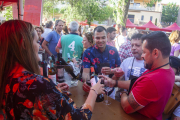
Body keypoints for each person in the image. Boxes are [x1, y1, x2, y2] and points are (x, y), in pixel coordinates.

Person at [0, 20, 105, 120]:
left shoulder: (6, 77)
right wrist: (94, 91)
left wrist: (52, 93)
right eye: (37, 41)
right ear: (24, 45)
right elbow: (79, 117)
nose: (39, 46)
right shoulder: (39, 84)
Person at [100, 31, 175, 120]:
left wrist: (123, 93)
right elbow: (137, 83)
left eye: (144, 52)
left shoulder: (151, 80)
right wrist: (114, 83)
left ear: (155, 53)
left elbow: (127, 107)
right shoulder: (168, 70)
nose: (142, 56)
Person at [82, 26, 121, 99]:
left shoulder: (114, 51)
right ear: (93, 38)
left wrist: (113, 72)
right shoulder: (88, 52)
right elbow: (85, 72)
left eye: (103, 37)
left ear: (107, 37)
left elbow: (119, 69)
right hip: (93, 90)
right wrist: (85, 82)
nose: (100, 40)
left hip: (110, 90)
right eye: (97, 38)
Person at [115, 33, 146, 101]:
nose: (134, 48)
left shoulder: (149, 63)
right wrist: (114, 73)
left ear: (144, 46)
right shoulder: (126, 61)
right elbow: (117, 78)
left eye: (137, 45)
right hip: (126, 99)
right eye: (132, 45)